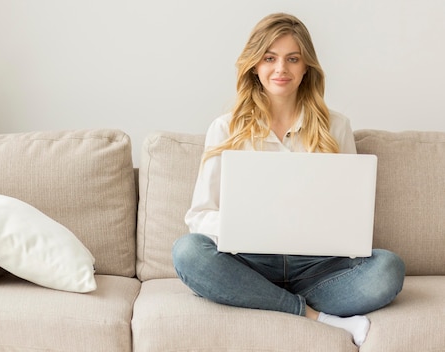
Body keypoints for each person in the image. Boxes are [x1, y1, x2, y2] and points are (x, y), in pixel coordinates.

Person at [171, 13, 405, 347]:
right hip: (249, 263)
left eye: (292, 59)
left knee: (389, 268)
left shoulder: (336, 127)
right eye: (270, 58)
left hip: (317, 269)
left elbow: (351, 215)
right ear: (254, 65)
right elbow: (199, 215)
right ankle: (315, 317)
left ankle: (260, 299)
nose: (281, 69)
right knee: (187, 252)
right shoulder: (225, 128)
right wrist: (247, 227)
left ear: (306, 66)